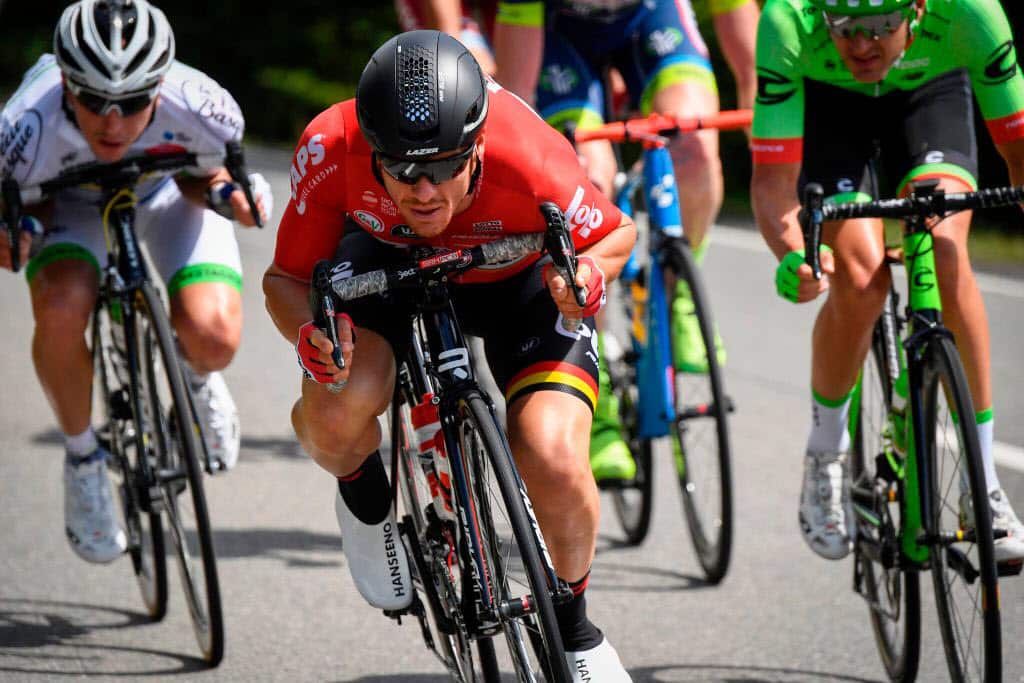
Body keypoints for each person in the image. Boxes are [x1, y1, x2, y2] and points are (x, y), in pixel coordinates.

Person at [263, 30, 636, 681]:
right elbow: (285, 279)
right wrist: (311, 336)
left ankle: (576, 629)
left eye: (443, 166)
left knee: (551, 451)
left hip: (515, 282)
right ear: (371, 148)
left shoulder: (530, 154)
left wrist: (586, 279)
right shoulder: (331, 146)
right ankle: (364, 497)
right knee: (335, 409)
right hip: (385, 269)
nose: (423, 189)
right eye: (401, 169)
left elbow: (615, 233)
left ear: (479, 148)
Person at [750, 0, 1024, 562]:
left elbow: (1018, 152)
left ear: (918, 9)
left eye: (880, 26)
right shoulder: (788, 21)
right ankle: (826, 452)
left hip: (931, 102)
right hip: (833, 115)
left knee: (946, 252)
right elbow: (772, 181)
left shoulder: (972, 13)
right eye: (845, 29)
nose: (862, 46)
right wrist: (791, 256)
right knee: (859, 277)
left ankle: (983, 482)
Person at [0, 0, 271, 564]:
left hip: (167, 196)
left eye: (133, 102)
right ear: (65, 83)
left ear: (160, 86)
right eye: (94, 101)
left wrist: (230, 196)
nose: (114, 122)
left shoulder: (204, 104)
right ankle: (83, 459)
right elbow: (28, 212)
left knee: (213, 334)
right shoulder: (24, 127)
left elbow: (209, 178)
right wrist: (18, 234)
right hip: (69, 208)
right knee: (61, 305)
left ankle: (195, 384)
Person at [490, 0, 759, 482]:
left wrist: (763, 113)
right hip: (557, 37)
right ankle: (596, 381)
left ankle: (676, 296)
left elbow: (739, 25)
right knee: (589, 173)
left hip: (650, 21)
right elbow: (516, 105)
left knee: (695, 151)